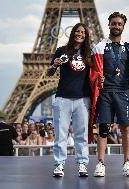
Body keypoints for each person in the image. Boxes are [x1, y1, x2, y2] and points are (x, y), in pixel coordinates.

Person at [90, 12, 129, 177]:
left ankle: (127, 163)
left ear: (123, 26)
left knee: (126, 129)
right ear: (109, 25)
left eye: (119, 24)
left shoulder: (128, 47)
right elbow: (92, 68)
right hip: (106, 91)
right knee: (103, 128)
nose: (116, 26)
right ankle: (100, 163)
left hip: (124, 91)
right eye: (114, 23)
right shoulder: (100, 47)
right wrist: (98, 77)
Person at [46, 23, 92, 177]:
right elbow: (49, 73)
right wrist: (54, 64)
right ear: (73, 33)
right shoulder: (61, 51)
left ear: (86, 35)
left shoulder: (89, 54)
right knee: (61, 134)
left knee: (81, 134)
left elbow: (97, 72)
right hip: (63, 98)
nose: (80, 34)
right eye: (78, 31)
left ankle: (82, 164)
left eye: (83, 32)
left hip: (82, 98)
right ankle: (59, 164)